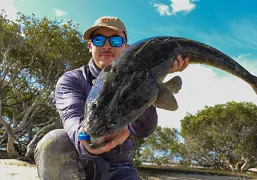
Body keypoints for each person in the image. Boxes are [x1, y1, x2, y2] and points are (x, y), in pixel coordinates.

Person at [34, 16, 189, 180]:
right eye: (99, 39)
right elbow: (72, 117)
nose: (107, 45)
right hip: (80, 164)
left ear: (126, 48)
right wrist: (86, 143)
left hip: (120, 169)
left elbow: (142, 130)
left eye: (115, 41)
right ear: (89, 45)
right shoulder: (71, 80)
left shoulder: (141, 80)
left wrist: (152, 79)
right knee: (53, 142)